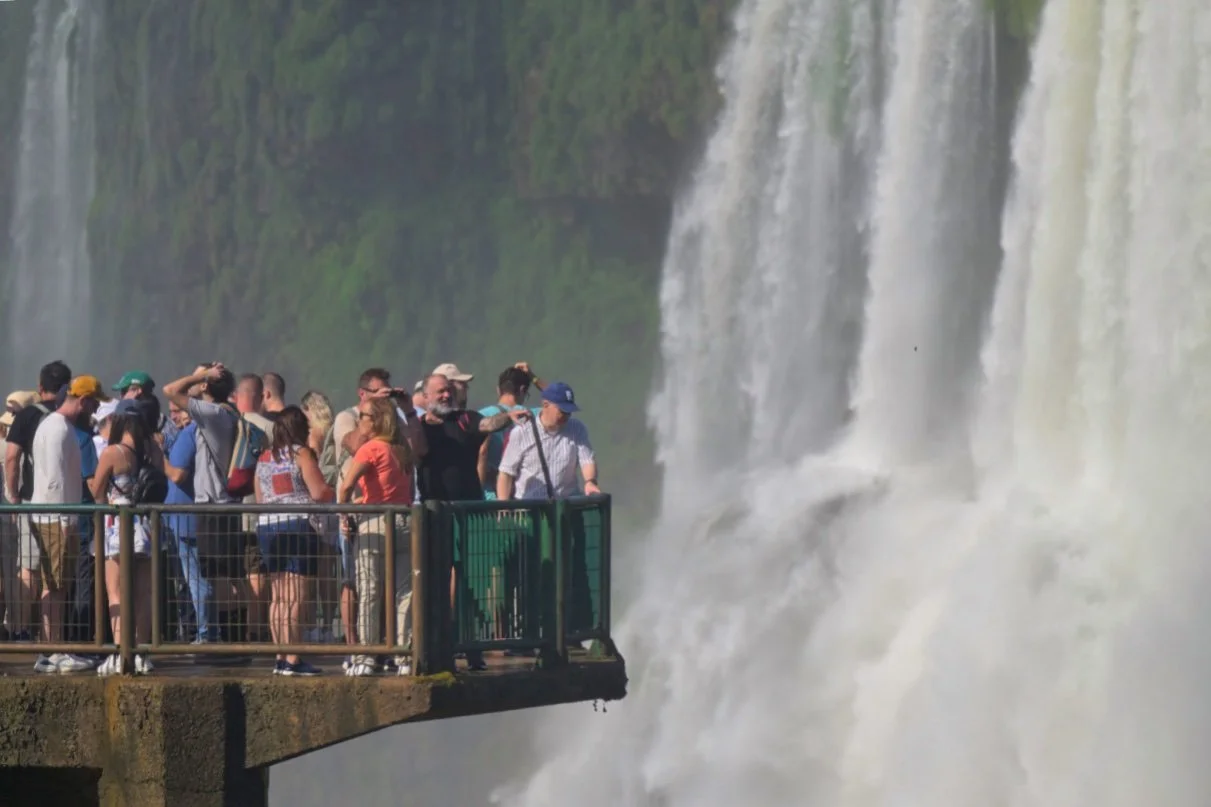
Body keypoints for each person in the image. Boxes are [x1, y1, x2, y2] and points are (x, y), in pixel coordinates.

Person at [28, 375, 106, 673]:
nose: (95, 408)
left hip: (56, 514)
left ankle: (54, 647)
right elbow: (54, 479)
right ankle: (52, 650)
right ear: (83, 400)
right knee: (56, 584)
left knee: (58, 583)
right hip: (54, 516)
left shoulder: (58, 426)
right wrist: (64, 520)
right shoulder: (59, 428)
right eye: (94, 402)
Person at [336, 397, 414, 677]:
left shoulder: (370, 449)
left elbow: (345, 489)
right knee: (404, 591)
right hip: (404, 522)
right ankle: (404, 654)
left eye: (364, 416)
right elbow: (400, 492)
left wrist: (345, 517)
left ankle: (367, 654)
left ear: (377, 419)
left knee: (369, 589)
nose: (359, 421)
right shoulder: (402, 447)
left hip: (375, 525)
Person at [253, 406, 331, 676]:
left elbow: (260, 498)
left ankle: (280, 657)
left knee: (278, 596)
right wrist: (335, 489)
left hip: (268, 526)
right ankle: (294, 659)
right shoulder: (302, 454)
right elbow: (319, 492)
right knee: (297, 595)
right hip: (298, 524)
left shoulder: (264, 458)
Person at [90, 400, 163, 676]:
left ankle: (122, 653)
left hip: (118, 525)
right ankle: (142, 651)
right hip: (147, 524)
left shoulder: (113, 452)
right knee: (144, 592)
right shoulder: (153, 448)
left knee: (116, 592)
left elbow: (97, 492)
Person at [5, 361, 71, 643]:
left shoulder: (28, 416)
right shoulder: (70, 415)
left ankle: (20, 630)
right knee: (55, 575)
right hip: (68, 506)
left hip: (33, 502)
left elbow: (11, 457)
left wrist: (13, 496)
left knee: (30, 569)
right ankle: (52, 639)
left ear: (40, 387)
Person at [417, 374, 528, 502]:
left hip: (468, 508)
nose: (447, 395)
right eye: (441, 391)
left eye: (449, 390)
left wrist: (508, 416)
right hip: (433, 509)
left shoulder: (465, 418)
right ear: (425, 396)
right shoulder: (419, 427)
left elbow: (489, 424)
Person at [497, 382, 600, 500]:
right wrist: (503, 507)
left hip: (566, 505)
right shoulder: (521, 432)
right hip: (531, 507)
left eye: (569, 411)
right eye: (562, 411)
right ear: (545, 404)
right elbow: (506, 472)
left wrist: (590, 481)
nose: (567, 416)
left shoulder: (577, 428)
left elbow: (587, 459)